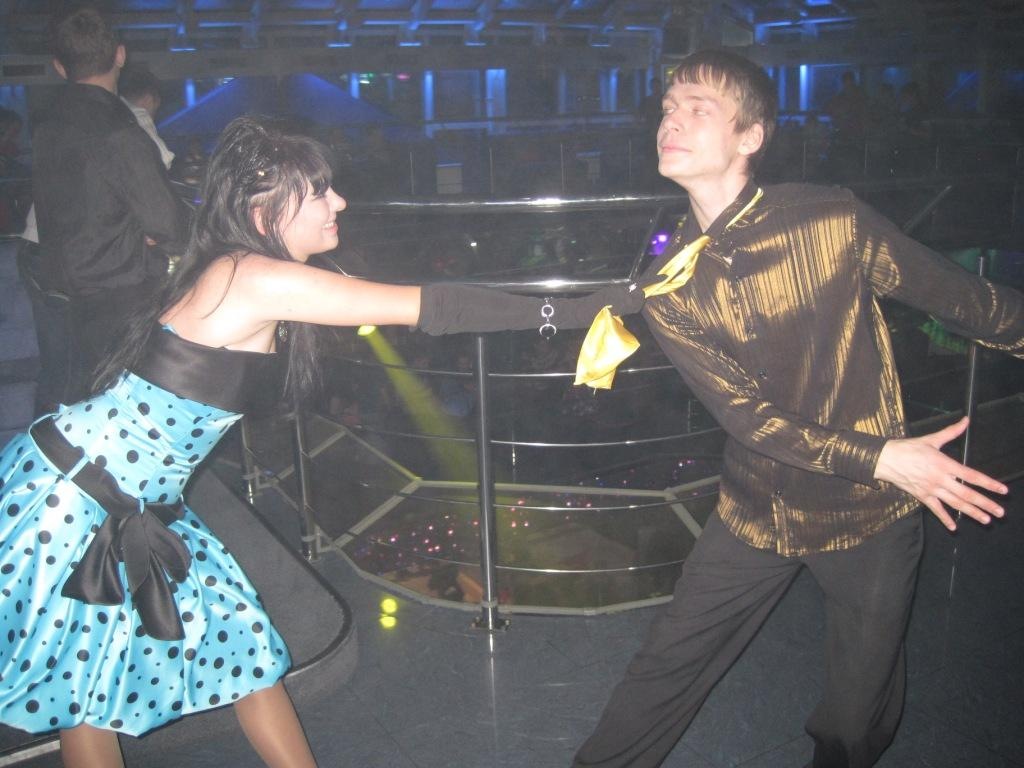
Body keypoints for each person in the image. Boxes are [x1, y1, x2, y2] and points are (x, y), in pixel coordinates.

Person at [0, 114, 642, 768]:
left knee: (243, 653)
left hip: (129, 492)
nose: (340, 201)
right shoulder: (255, 277)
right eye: (317, 192)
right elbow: (433, 308)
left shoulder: (241, 269)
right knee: (89, 690)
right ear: (263, 212)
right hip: (81, 492)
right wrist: (573, 309)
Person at [572, 48, 1022, 768]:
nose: (671, 122)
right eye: (668, 109)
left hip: (867, 513)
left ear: (750, 137)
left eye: (698, 110)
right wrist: (882, 456)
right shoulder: (669, 284)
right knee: (665, 667)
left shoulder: (830, 219)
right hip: (756, 510)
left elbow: (968, 302)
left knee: (856, 713)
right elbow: (747, 418)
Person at [31, 5, 185, 407]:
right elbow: (166, 221)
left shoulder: (47, 125)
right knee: (132, 406)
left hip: (61, 283)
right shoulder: (118, 129)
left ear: (60, 66)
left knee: (73, 393)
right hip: (119, 291)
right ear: (120, 55)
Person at [118, 64, 175, 170]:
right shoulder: (139, 117)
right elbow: (164, 160)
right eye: (156, 107)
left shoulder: (112, 112)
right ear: (149, 100)